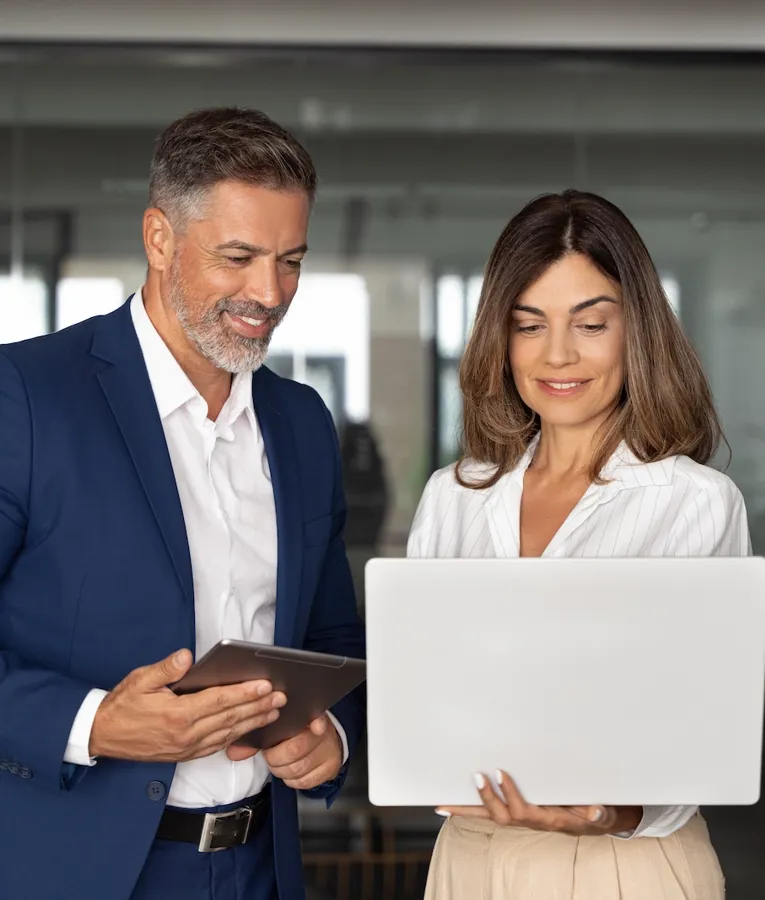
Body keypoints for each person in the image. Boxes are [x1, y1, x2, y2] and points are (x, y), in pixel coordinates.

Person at [0, 107, 365, 900]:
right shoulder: (24, 397)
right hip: (75, 871)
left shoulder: (300, 422)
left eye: (292, 260)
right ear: (159, 238)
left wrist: (330, 738)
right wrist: (91, 723)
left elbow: (333, 637)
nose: (269, 293)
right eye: (238, 256)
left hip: (260, 867)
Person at [408, 189, 750, 900]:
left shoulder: (693, 503)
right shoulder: (454, 496)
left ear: (636, 331)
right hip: (471, 858)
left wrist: (604, 811)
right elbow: (424, 699)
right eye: (528, 325)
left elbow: (705, 734)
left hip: (623, 863)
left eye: (590, 323)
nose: (556, 354)